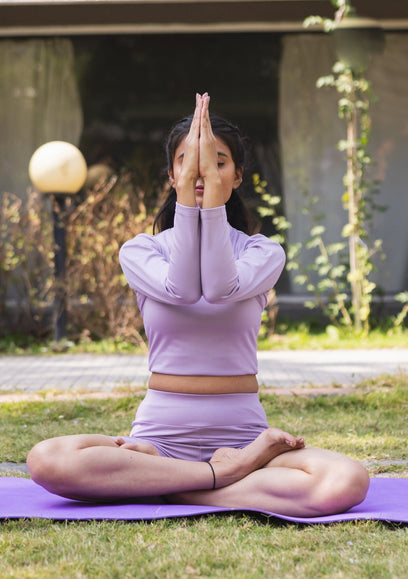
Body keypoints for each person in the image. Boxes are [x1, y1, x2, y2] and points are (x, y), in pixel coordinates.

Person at [27, 93, 369, 517]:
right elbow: (184, 288)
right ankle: (216, 477)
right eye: (188, 163)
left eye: (217, 162)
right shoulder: (141, 250)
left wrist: (206, 209)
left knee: (347, 481)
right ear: (172, 174)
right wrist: (192, 202)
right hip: (160, 438)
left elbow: (221, 287)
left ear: (238, 175)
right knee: (47, 460)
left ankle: (175, 486)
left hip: (243, 435)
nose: (202, 172)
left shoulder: (262, 252)